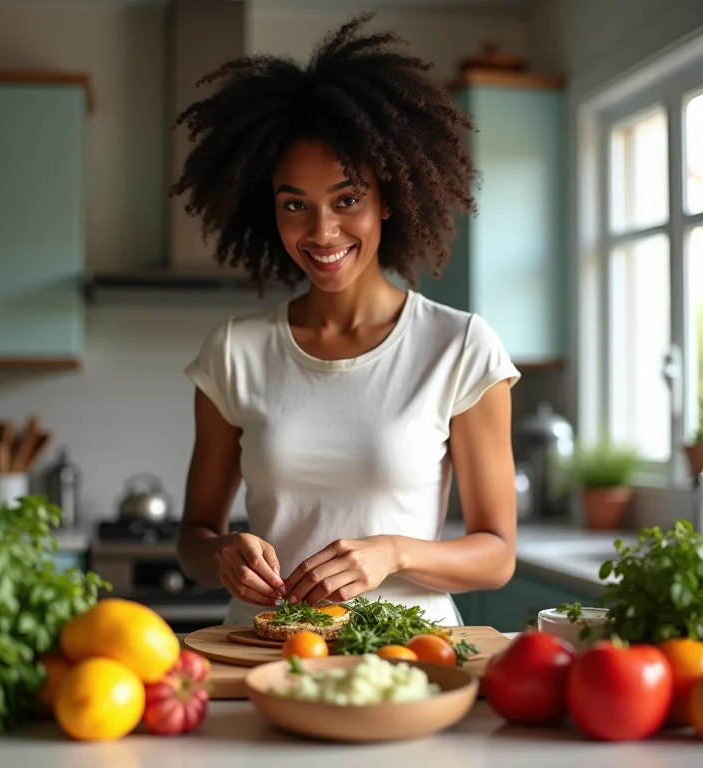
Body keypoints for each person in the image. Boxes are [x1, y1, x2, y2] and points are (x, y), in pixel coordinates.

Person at [174, 13, 520, 627]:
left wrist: (394, 553)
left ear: (387, 198)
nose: (322, 231)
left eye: (347, 199)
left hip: (407, 655)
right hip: (265, 651)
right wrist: (224, 553)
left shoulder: (460, 346)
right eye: (295, 205)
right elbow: (193, 540)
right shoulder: (234, 352)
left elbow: (497, 555)